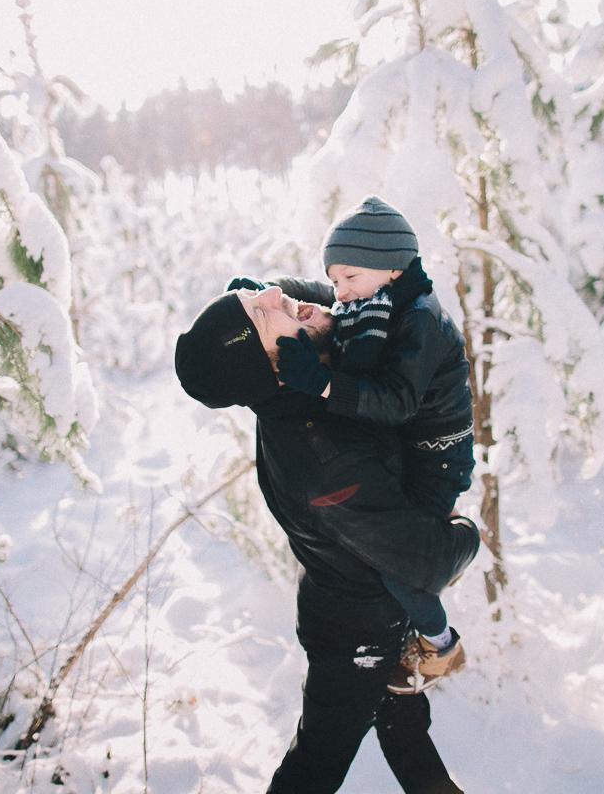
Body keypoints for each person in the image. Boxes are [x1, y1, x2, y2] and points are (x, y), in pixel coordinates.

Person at [175, 281, 479, 793]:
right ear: (273, 366)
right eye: (261, 313)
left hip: (366, 609)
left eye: (256, 294)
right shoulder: (325, 463)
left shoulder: (296, 385)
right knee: (317, 763)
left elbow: (297, 299)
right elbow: (427, 561)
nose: (273, 293)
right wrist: (467, 531)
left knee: (404, 727)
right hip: (356, 636)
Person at [276, 196, 475, 695]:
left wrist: (322, 384)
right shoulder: (382, 298)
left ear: (389, 268)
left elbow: (396, 402)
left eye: (348, 279)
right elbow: (322, 296)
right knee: (375, 539)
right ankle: (408, 629)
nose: (339, 294)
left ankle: (439, 645)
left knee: (397, 560)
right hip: (411, 449)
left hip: (438, 458)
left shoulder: (421, 320)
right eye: (336, 279)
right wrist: (268, 294)